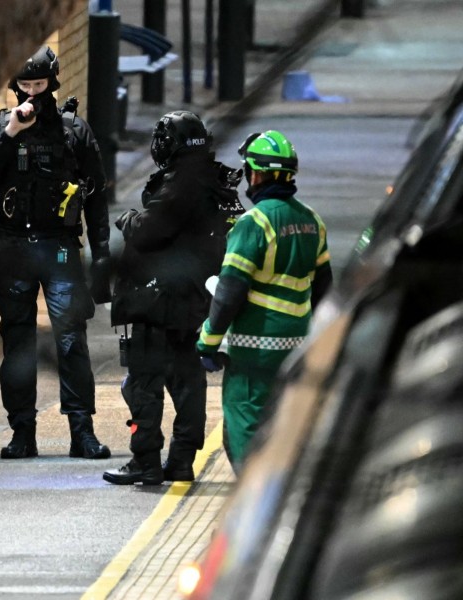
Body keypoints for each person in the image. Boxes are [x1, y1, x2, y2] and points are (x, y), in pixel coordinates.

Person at [0, 45, 113, 460]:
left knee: (71, 340)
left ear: (52, 82)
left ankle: (82, 431)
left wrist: (101, 254)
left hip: (60, 247)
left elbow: (96, 195)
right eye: (25, 85)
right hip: (13, 246)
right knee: (17, 341)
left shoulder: (73, 130)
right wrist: (11, 132)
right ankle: (22, 432)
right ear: (14, 86)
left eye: (39, 85)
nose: (32, 93)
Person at [102, 111, 244, 486]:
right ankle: (181, 461)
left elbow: (150, 231)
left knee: (142, 384)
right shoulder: (217, 182)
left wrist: (128, 219)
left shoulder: (179, 185)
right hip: (197, 301)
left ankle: (145, 460)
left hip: (160, 301)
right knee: (188, 384)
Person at [196, 130, 333, 473]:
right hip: (297, 344)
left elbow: (228, 292)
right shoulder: (312, 221)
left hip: (254, 350)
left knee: (245, 425)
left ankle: (253, 501)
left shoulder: (253, 224)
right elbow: (326, 289)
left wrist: (208, 341)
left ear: (257, 173)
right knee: (286, 422)